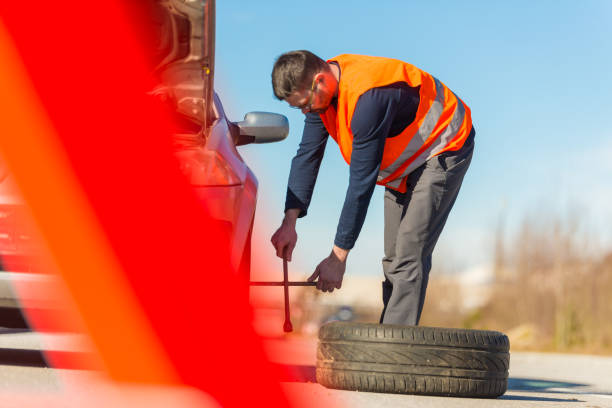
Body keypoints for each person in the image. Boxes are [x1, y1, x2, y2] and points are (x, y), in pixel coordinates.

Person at [270, 50, 474, 326]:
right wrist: (289, 222)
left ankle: (394, 354)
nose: (305, 111)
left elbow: (360, 184)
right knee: (392, 260)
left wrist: (337, 257)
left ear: (320, 80)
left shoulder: (368, 99)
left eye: (304, 104)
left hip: (444, 145)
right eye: (298, 108)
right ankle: (387, 344)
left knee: (408, 255)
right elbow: (308, 155)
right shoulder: (321, 98)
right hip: (405, 164)